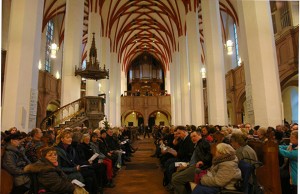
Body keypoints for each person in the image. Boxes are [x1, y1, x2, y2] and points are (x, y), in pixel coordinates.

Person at [172, 130, 212, 194]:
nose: (192, 138)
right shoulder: (197, 144)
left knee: (176, 180)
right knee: (174, 175)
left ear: (200, 135)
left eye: (194, 136)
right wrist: (187, 164)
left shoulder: (203, 143)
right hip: (191, 164)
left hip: (197, 167)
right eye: (191, 137)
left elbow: (209, 154)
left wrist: (203, 162)